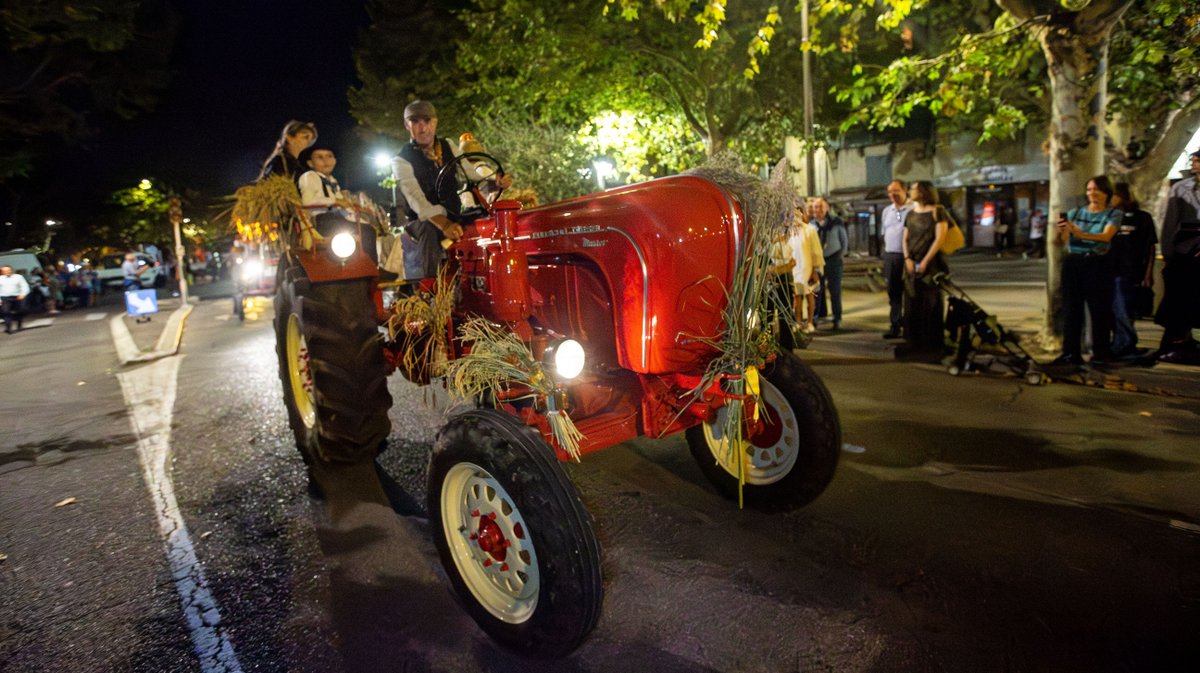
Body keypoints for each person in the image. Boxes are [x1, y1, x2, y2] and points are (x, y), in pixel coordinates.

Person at [390, 100, 511, 283]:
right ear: (407, 125)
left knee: (482, 219)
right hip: (422, 220)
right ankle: (432, 289)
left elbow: (469, 173)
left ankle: (485, 277)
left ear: (435, 122)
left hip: (453, 214)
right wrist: (444, 224)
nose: (422, 127)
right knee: (428, 229)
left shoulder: (448, 145)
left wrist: (496, 181)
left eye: (426, 120)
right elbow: (416, 199)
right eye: (415, 121)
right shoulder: (401, 161)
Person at [1055, 175, 1121, 366]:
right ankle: (1070, 353)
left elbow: (1106, 236)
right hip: (1074, 262)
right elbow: (1065, 240)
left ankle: (1100, 352)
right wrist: (1064, 231)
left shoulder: (1112, 214)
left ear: (1106, 193)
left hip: (1097, 263)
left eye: (1097, 190)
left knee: (1099, 310)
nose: (1092, 193)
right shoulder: (1076, 212)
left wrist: (1080, 233)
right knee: (1071, 309)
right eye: (1089, 189)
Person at [298, 143, 379, 262]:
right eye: (319, 157)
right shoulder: (309, 176)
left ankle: (366, 264)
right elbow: (307, 201)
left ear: (334, 160)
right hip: (323, 221)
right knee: (366, 231)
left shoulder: (332, 181)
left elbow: (343, 204)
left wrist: (356, 208)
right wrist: (335, 201)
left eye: (329, 156)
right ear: (310, 163)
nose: (325, 160)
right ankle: (370, 265)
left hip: (337, 219)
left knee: (367, 229)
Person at [897, 181, 950, 361]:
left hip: (931, 266)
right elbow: (905, 238)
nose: (910, 192)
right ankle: (914, 342)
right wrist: (907, 259)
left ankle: (931, 344)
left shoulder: (937, 211)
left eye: (913, 189)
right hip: (911, 264)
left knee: (930, 304)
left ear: (923, 192)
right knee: (912, 303)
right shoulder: (910, 214)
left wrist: (926, 260)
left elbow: (939, 238)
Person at [1155, 149, 1200, 362]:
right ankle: (1175, 343)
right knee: (1178, 300)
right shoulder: (1181, 187)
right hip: (1183, 252)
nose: (1194, 162)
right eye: (1194, 159)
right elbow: (1170, 222)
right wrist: (1168, 253)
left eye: (1198, 160)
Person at [1109, 183, 1157, 359]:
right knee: (1115, 311)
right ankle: (1121, 344)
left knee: (1124, 310)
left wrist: (1148, 273)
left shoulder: (1142, 218)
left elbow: (1150, 247)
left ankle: (1125, 345)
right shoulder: (1110, 217)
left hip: (1130, 272)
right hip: (1110, 271)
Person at [880, 180, 913, 338]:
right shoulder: (887, 211)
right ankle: (895, 324)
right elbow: (884, 232)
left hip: (908, 256)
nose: (892, 195)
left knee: (910, 292)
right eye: (889, 192)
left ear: (905, 190)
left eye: (896, 191)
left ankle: (910, 325)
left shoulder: (913, 209)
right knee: (893, 291)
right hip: (891, 255)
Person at [811, 197, 847, 330]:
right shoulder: (811, 224)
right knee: (816, 291)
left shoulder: (836, 222)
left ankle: (837, 318)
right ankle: (814, 318)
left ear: (826, 208)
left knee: (835, 291)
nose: (817, 210)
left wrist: (840, 256)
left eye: (820, 207)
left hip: (833, 260)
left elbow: (844, 241)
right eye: (815, 207)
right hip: (817, 262)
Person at [788, 202, 824, 334]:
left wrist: (814, 269)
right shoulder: (790, 231)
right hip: (794, 269)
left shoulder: (809, 230)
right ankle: (798, 322)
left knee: (810, 296)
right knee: (797, 298)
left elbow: (815, 251)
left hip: (807, 268)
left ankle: (809, 322)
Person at [768, 224, 797, 350]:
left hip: (784, 280)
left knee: (785, 315)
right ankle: (766, 347)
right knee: (767, 316)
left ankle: (786, 348)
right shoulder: (766, 245)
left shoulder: (788, 243)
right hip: (768, 283)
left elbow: (792, 261)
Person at [0, 265, 30, 334]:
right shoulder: (0, 279)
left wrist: (23, 294)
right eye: (4, 271)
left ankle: (19, 324)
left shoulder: (18, 277)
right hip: (5, 298)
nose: (7, 272)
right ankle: (8, 328)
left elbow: (25, 286)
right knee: (6, 312)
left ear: (11, 270)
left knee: (20, 310)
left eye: (8, 270)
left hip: (17, 296)